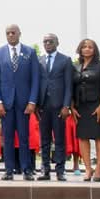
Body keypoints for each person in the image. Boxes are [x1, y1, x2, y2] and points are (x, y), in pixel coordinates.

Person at [0, 24, 40, 181]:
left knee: (24, 137)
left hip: (24, 104)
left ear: (19, 33)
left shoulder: (30, 52)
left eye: (13, 32)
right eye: (8, 33)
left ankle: (27, 170)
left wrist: (32, 101)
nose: (10, 35)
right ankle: (9, 170)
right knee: (8, 138)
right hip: (6, 103)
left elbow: (35, 79)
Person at [36, 34, 73, 182]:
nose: (47, 44)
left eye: (50, 41)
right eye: (45, 42)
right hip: (43, 106)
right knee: (44, 140)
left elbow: (69, 85)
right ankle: (45, 170)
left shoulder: (65, 60)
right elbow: (36, 83)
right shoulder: (39, 60)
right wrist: (36, 104)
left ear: (57, 43)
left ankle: (60, 170)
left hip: (59, 107)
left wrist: (66, 105)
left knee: (59, 140)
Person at [72, 38, 100, 182]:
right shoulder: (75, 66)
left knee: (99, 136)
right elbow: (72, 86)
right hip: (80, 106)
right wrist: (72, 106)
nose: (87, 49)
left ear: (95, 50)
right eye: (84, 46)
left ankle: (98, 168)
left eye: (90, 47)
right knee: (83, 137)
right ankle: (88, 168)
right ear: (80, 49)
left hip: (96, 105)